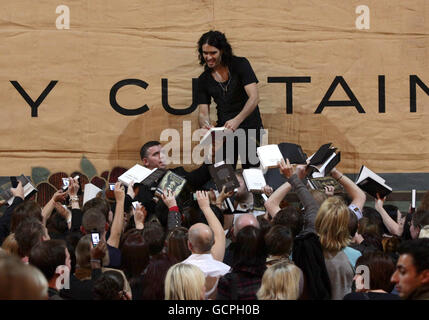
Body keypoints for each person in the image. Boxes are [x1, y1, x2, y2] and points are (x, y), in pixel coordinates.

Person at [196, 30, 263, 169]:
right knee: (224, 172)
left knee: (251, 171)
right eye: (205, 53)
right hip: (225, 130)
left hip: (249, 125)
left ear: (222, 51)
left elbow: (254, 97)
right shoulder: (203, 79)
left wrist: (237, 120)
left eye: (213, 53)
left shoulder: (240, 64)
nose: (208, 57)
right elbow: (203, 113)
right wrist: (207, 127)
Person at [182, 191, 230, 299]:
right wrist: (205, 207)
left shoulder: (180, 271)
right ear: (213, 242)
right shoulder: (223, 268)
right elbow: (220, 234)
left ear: (189, 245)